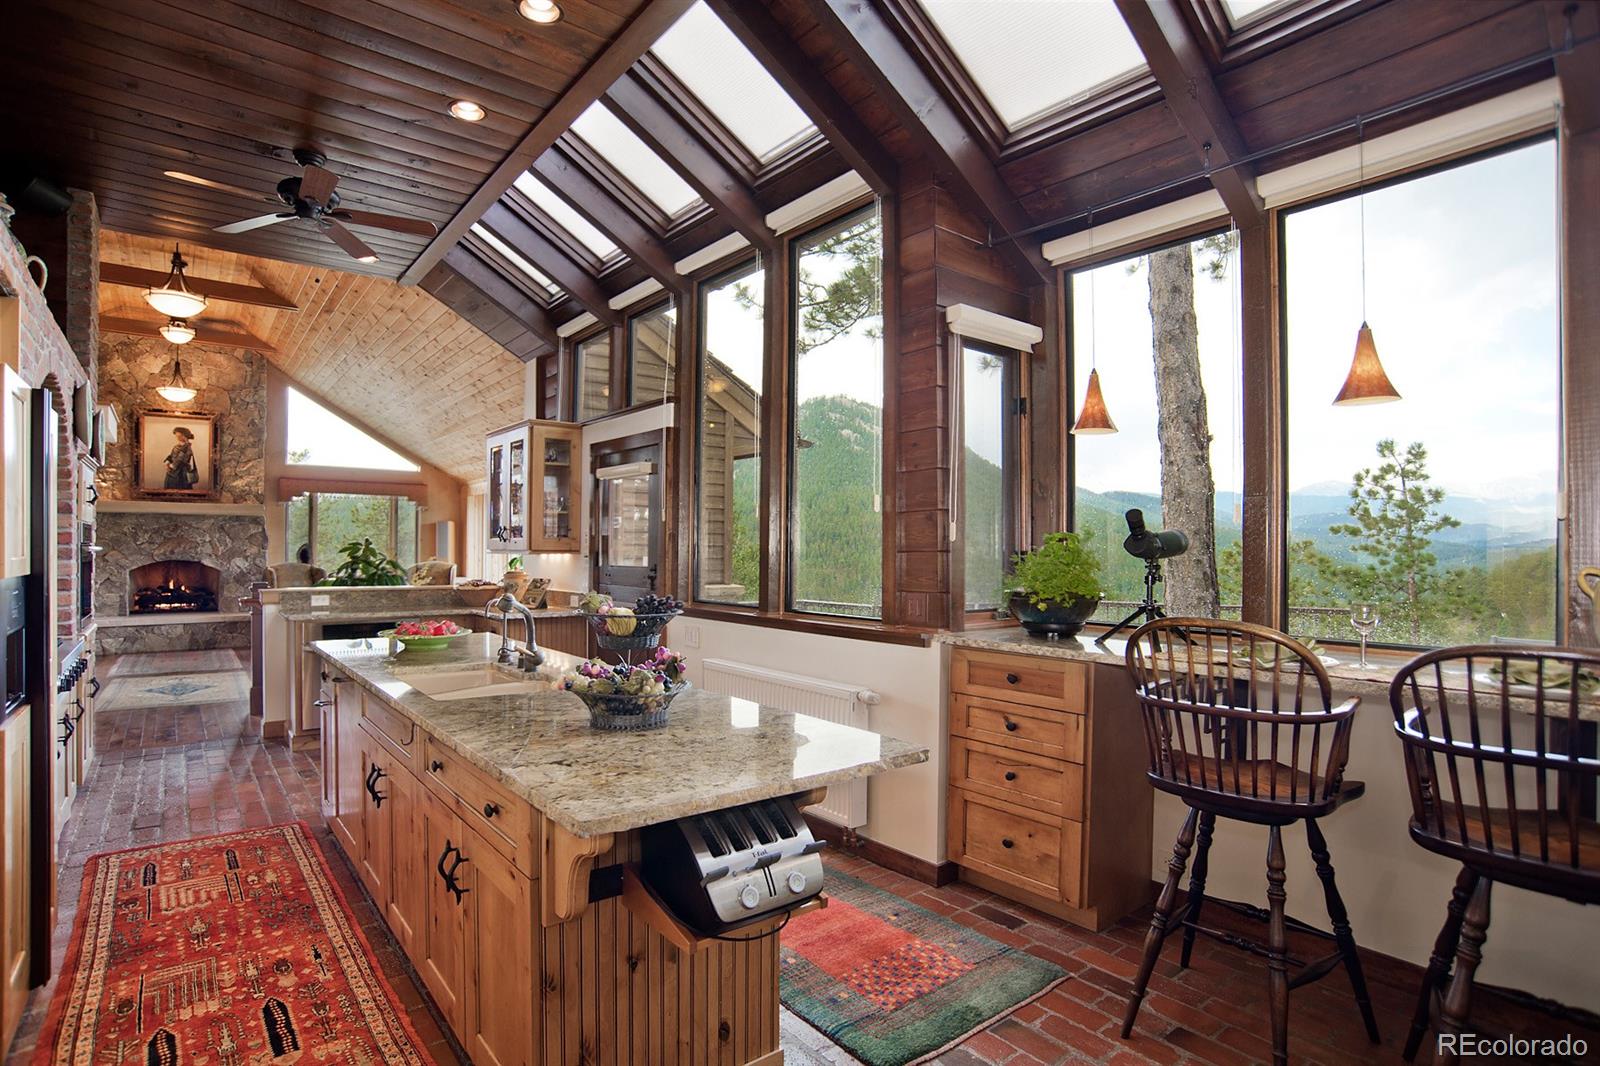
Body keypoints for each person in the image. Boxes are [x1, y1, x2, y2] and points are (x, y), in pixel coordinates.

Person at [163, 426, 199, 490]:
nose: (177, 436)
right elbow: (171, 455)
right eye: (177, 435)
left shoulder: (187, 447)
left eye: (179, 435)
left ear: (184, 436)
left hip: (181, 473)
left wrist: (171, 466)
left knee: (180, 488)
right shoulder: (176, 446)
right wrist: (167, 462)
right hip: (172, 472)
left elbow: (181, 459)